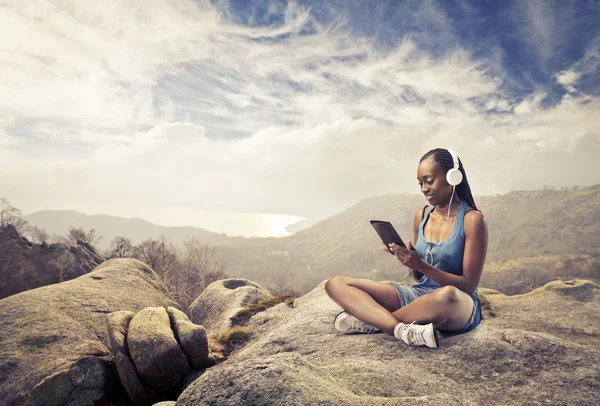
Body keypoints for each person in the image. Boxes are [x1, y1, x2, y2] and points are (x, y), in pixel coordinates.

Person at [324, 148, 488, 349]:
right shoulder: (422, 215)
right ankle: (401, 330)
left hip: (458, 306)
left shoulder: (473, 220)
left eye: (429, 181)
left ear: (452, 178)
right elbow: (418, 279)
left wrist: (422, 265)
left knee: (447, 295)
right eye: (420, 183)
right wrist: (409, 262)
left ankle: (372, 321)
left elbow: (468, 286)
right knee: (336, 283)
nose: (424, 189)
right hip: (418, 296)